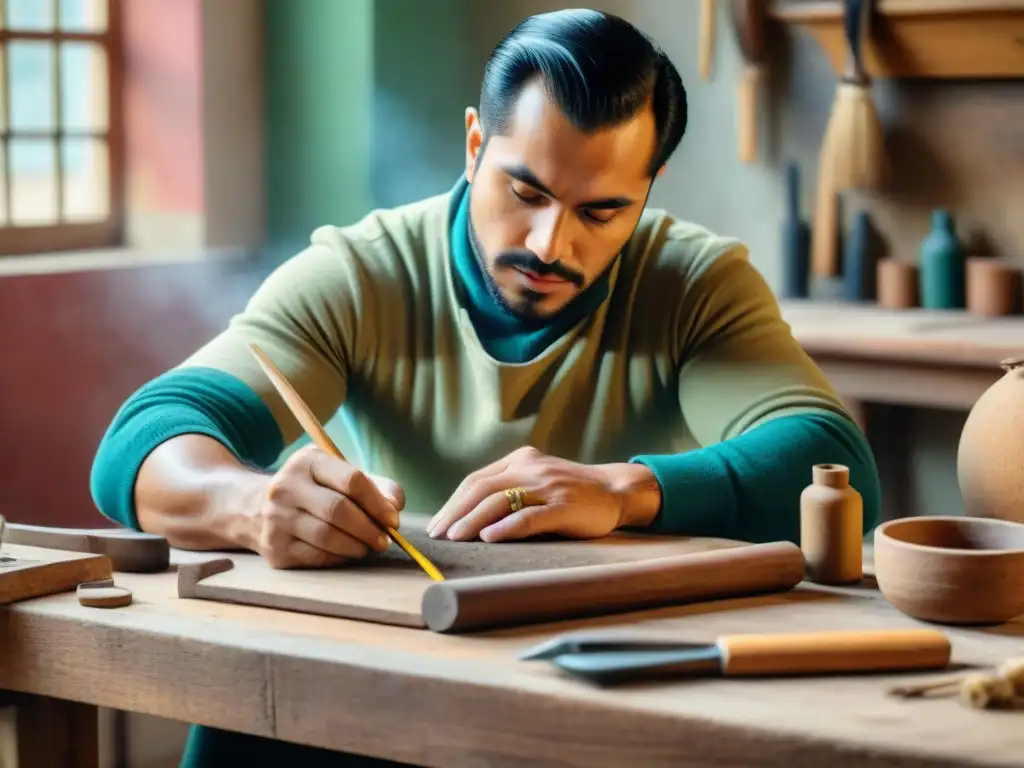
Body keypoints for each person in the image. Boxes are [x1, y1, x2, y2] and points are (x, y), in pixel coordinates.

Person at [91, 9, 880, 767]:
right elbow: (144, 440)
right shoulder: (363, 274)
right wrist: (252, 506)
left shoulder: (693, 281)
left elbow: (834, 463)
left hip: (613, 674)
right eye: (526, 192)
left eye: (603, 211)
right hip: (393, 658)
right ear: (475, 143)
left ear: (650, 185)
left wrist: (623, 489)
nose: (550, 243)